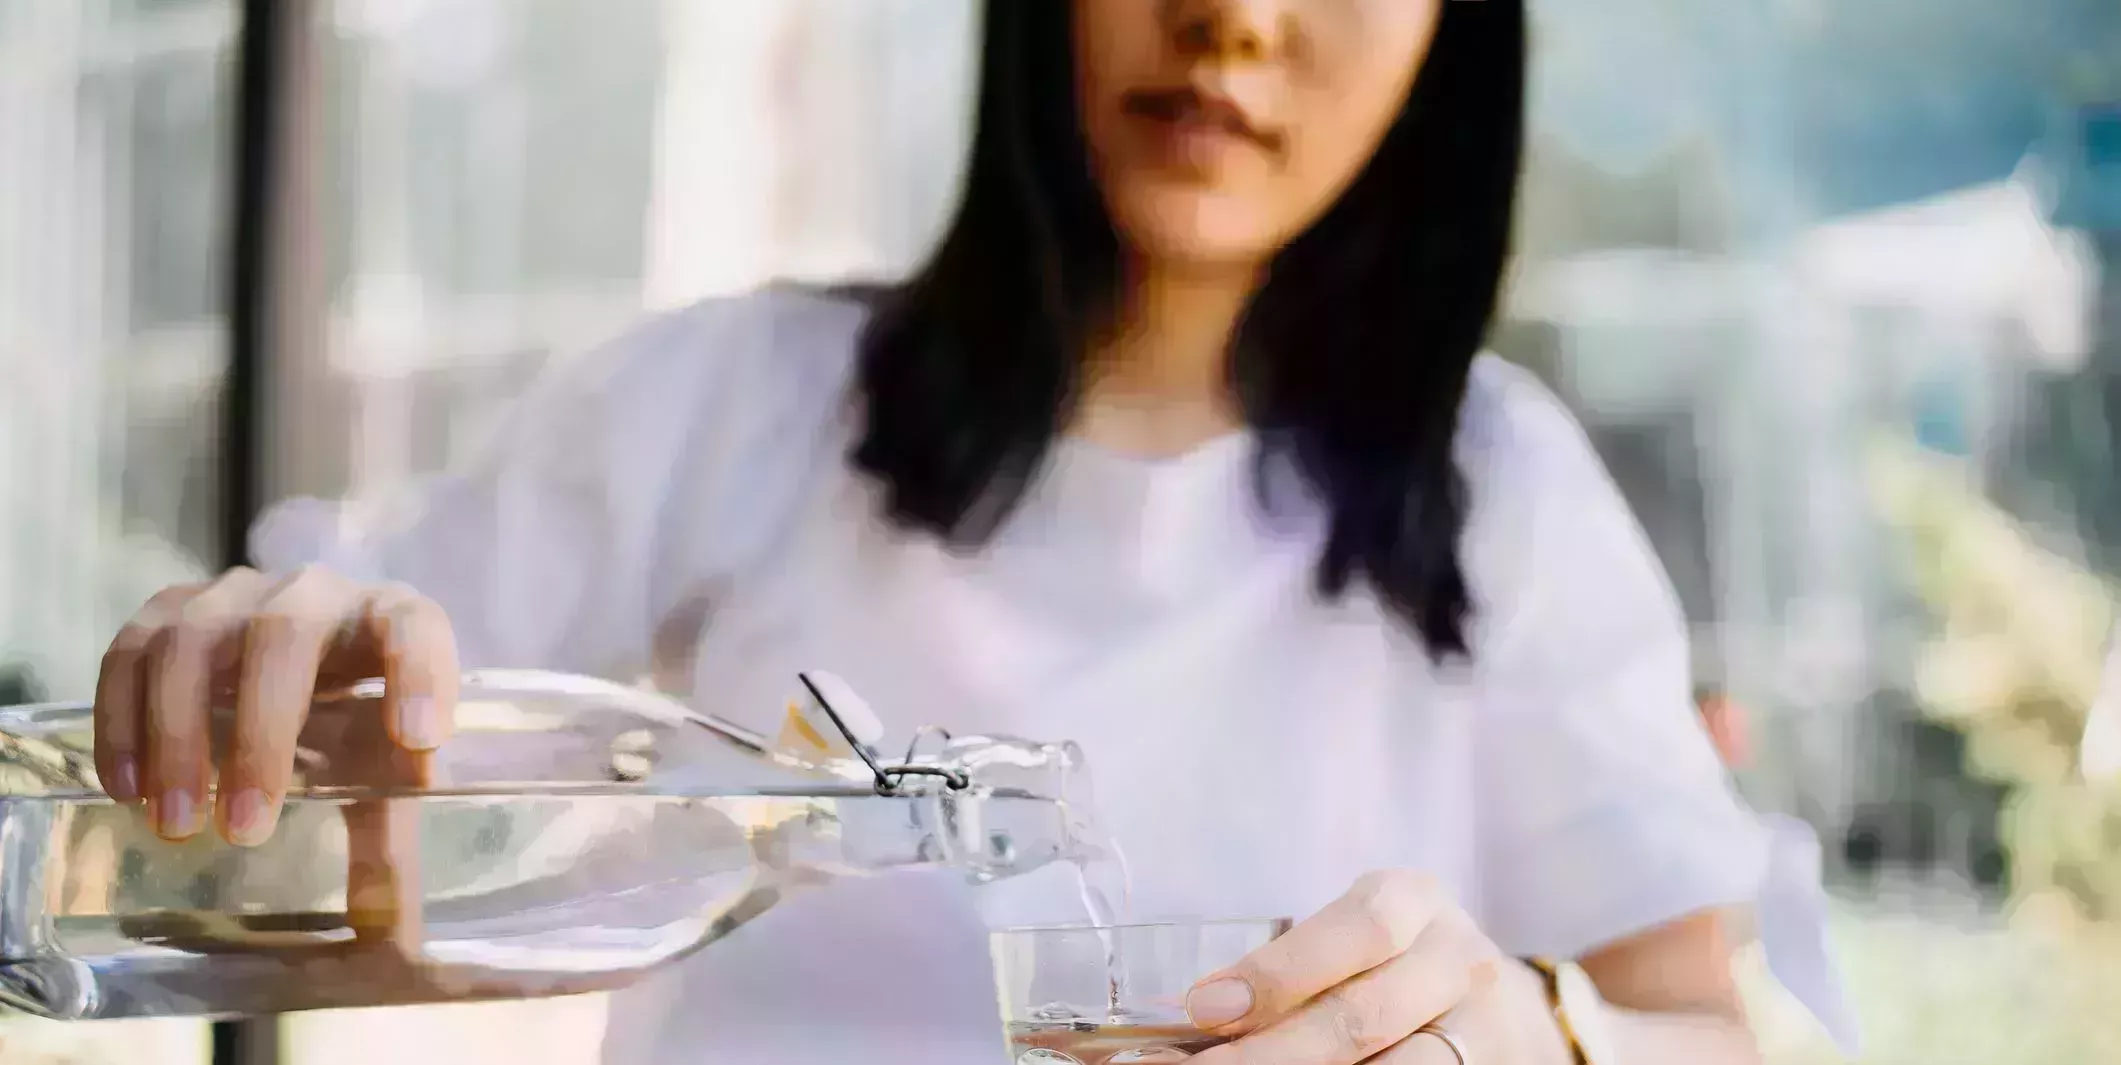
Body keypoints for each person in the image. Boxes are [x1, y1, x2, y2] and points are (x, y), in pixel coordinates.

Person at [91, 1, 1850, 1062]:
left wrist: (1536, 1027)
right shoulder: (736, 402)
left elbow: (1709, 1032)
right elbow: (346, 772)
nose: (1231, 13)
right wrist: (255, 695)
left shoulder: (1506, 499)